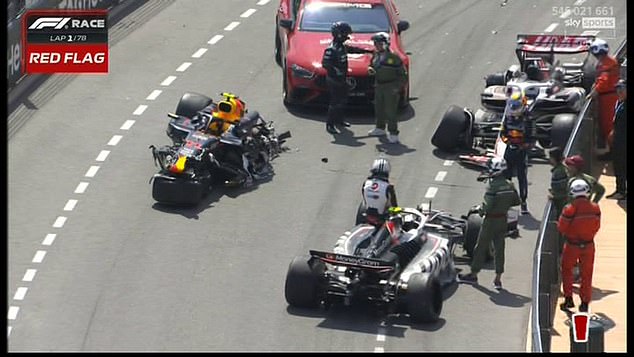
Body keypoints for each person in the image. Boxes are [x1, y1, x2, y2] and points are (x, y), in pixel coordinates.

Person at [458, 157, 521, 289]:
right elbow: (516, 201)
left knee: (480, 247)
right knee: (499, 249)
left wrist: (479, 211)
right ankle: (498, 279)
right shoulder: (510, 185)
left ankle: (473, 274)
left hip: (490, 221)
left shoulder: (492, 187)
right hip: (502, 220)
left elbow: (486, 207)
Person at [558, 179, 601, 313]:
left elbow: (561, 227)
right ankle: (584, 303)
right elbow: (597, 226)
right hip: (589, 245)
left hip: (572, 245)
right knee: (587, 274)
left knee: (567, 271)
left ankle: (569, 298)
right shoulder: (595, 208)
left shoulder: (569, 209)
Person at [321, 21, 372, 135]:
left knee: (343, 101)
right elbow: (325, 64)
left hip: (342, 79)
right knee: (335, 102)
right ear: (339, 34)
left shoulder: (341, 47)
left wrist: (368, 51)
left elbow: (353, 49)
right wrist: (337, 73)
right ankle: (330, 124)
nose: (347, 37)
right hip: (334, 80)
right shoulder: (332, 49)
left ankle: (340, 120)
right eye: (345, 34)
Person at [367, 32, 408, 144]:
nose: (377, 45)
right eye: (375, 43)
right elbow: (372, 64)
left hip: (390, 86)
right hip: (379, 85)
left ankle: (393, 133)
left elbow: (403, 75)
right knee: (379, 108)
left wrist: (396, 88)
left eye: (379, 43)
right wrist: (370, 69)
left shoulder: (394, 57)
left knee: (391, 111)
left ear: (386, 43)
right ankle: (380, 128)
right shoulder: (376, 54)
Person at [500, 91, 534, 214]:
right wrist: (507, 141)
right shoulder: (508, 116)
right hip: (510, 149)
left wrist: (525, 145)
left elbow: (532, 137)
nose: (513, 109)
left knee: (521, 177)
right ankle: (507, 201)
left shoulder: (528, 118)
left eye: (516, 106)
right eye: (512, 105)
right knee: (505, 175)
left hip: (522, 152)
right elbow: (502, 133)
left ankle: (523, 202)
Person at [586, 38, 620, 158]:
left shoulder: (607, 63)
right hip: (608, 96)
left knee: (608, 126)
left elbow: (604, 80)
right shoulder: (608, 61)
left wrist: (594, 92)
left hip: (609, 98)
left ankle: (615, 153)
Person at [606, 79, 627, 200]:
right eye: (617, 89)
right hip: (618, 140)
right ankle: (620, 189)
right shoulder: (620, 103)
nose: (619, 92)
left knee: (622, 165)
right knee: (618, 165)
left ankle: (621, 191)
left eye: (622, 89)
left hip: (624, 141)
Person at [361, 158, 398, 225]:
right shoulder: (389, 187)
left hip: (367, 215)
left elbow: (365, 200)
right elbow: (394, 207)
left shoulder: (366, 183)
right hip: (382, 218)